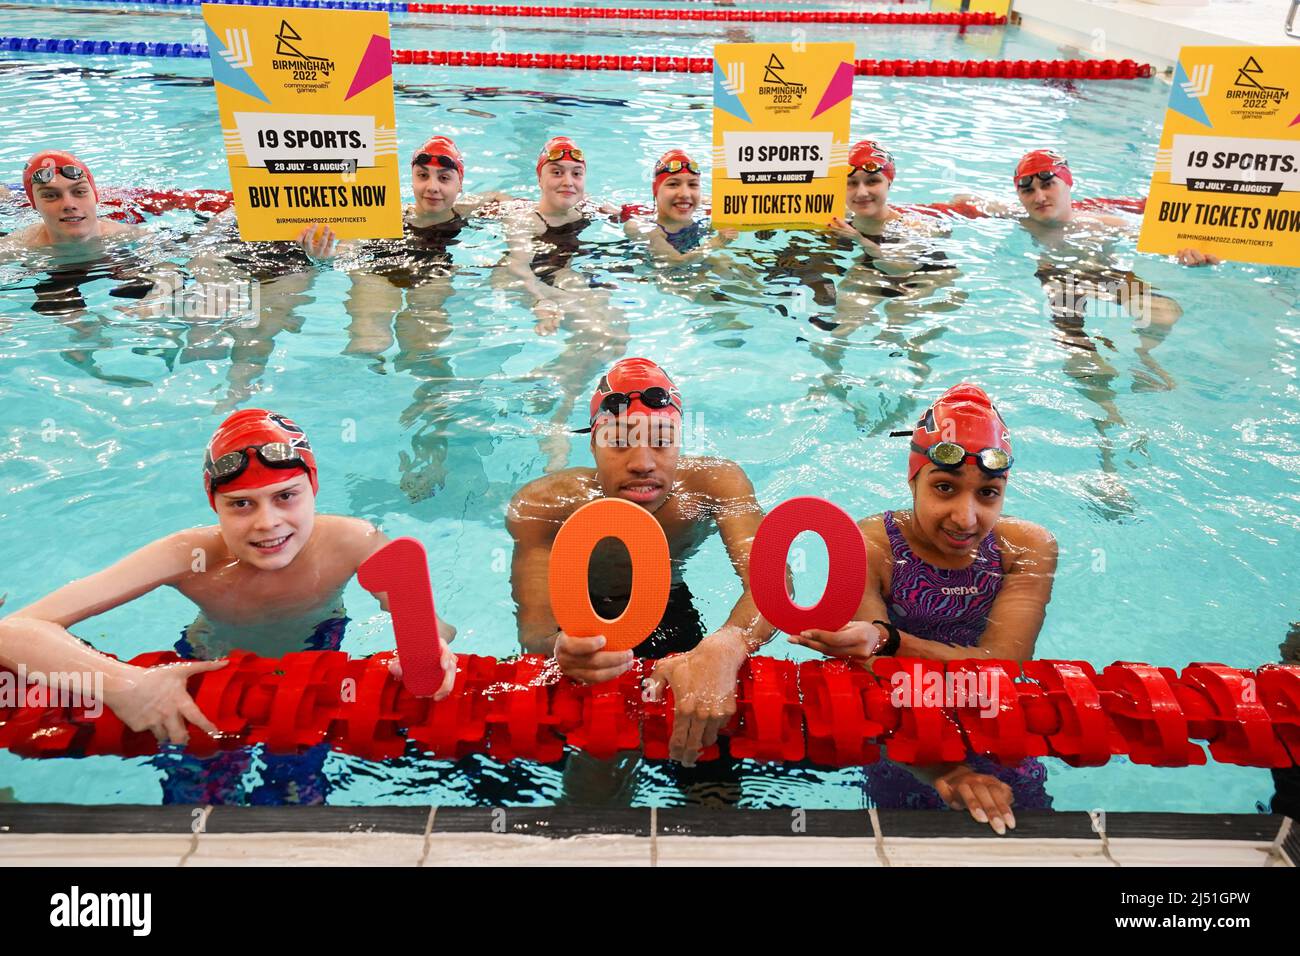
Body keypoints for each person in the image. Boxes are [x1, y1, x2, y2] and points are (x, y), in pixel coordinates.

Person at [0, 409, 456, 803]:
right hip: (207, 677)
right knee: (196, 803)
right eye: (240, 504)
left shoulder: (354, 540)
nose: (267, 523)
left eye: (286, 496)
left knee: (299, 798)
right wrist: (125, 684)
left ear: (313, 487)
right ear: (213, 504)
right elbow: (14, 631)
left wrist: (424, 647)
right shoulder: (187, 555)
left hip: (314, 672)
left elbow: (429, 631)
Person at [506, 357, 778, 802]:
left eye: (662, 440)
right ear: (592, 446)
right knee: (598, 775)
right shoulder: (545, 505)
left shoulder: (714, 484)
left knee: (713, 775)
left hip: (669, 607)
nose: (643, 463)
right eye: (619, 443)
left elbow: (770, 585)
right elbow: (536, 630)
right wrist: (559, 649)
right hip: (584, 621)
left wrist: (729, 644)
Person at [791, 384, 1058, 833]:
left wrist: (890, 641)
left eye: (988, 493)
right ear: (912, 479)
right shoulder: (870, 544)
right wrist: (943, 772)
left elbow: (1003, 670)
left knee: (1032, 839)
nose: (965, 517)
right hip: (898, 728)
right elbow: (874, 677)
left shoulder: (1025, 547)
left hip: (994, 718)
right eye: (944, 488)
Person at [805, 139, 965, 434]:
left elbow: (901, 265)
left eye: (872, 181)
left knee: (900, 325)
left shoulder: (908, 224)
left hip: (925, 275)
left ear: (889, 182)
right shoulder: (842, 219)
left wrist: (858, 240)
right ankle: (831, 383)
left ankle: (912, 401)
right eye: (851, 184)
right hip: (872, 265)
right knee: (839, 329)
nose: (861, 191)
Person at [497, 135, 630, 471]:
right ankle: (556, 412)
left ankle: (550, 388)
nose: (568, 181)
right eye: (557, 172)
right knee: (599, 336)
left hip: (564, 277)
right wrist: (541, 301)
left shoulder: (589, 208)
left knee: (615, 336)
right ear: (540, 177)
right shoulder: (523, 218)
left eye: (576, 173)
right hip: (530, 280)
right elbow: (518, 267)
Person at [0, 150, 138, 254]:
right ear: (33, 204)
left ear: (96, 196)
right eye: (50, 195)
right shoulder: (17, 246)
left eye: (79, 192)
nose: (69, 205)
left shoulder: (127, 235)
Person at [623, 149, 737, 263]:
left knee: (732, 267)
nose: (685, 194)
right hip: (651, 271)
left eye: (692, 184)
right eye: (673, 184)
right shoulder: (642, 227)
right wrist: (717, 242)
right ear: (656, 190)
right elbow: (675, 262)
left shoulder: (700, 210)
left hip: (692, 259)